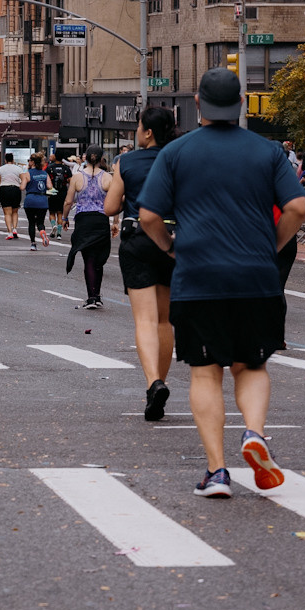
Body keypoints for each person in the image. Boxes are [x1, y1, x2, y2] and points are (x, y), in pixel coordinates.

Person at [138, 67, 305, 500]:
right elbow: (298, 207)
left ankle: (216, 472)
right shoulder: (268, 152)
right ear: (241, 103)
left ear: (197, 103)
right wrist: (272, 245)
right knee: (252, 365)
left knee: (205, 372)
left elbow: (149, 216)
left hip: (199, 277)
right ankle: (254, 432)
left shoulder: (176, 153)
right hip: (257, 277)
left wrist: (171, 248)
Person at [111, 107, 178, 421]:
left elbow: (110, 206)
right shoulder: (178, 159)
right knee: (165, 320)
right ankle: (160, 383)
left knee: (145, 320)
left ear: (148, 132)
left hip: (137, 239)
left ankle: (153, 382)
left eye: (139, 126)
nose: (136, 131)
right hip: (172, 240)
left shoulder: (127, 162)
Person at [63, 148, 114, 308]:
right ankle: (97, 295)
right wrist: (116, 222)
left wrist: (64, 218)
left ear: (85, 158)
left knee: (89, 259)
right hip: (101, 219)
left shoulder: (77, 177)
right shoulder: (108, 177)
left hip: (84, 220)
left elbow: (68, 201)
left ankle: (91, 297)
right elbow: (115, 200)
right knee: (99, 259)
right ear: (101, 158)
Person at [23, 155, 53, 248]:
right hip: (42, 200)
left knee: (31, 222)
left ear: (32, 162)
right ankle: (42, 231)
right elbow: (50, 186)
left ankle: (33, 243)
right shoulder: (44, 174)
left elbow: (22, 187)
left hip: (30, 199)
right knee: (40, 222)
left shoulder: (28, 173)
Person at [0, 152, 29, 240]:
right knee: (15, 211)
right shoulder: (18, 168)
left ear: (5, 160)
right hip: (15, 189)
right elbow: (23, 178)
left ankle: (9, 232)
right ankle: (15, 229)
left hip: (4, 189)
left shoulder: (1, 169)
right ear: (13, 160)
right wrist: (21, 185)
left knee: (7, 213)